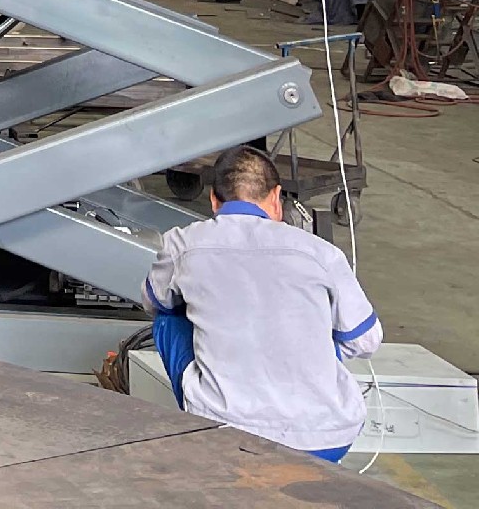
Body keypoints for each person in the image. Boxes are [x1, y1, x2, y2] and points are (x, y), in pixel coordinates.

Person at [141, 144, 381, 462]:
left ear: (214, 200)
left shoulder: (183, 243)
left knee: (168, 315)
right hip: (326, 435)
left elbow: (152, 301)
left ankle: (205, 414)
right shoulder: (321, 253)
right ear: (276, 197)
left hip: (226, 431)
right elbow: (366, 340)